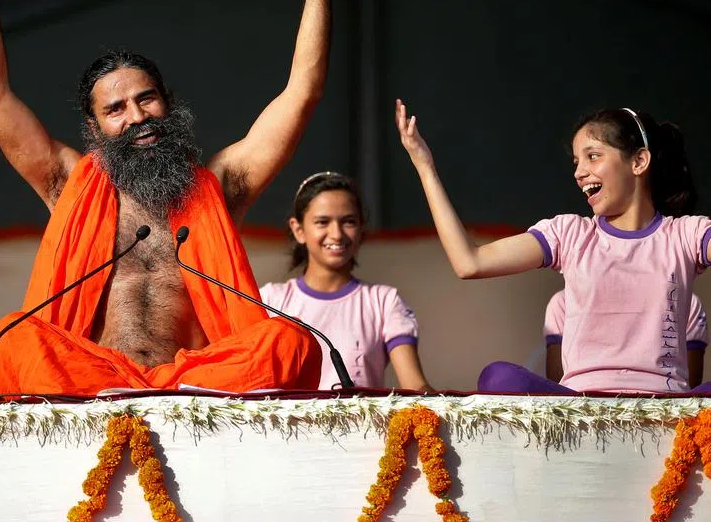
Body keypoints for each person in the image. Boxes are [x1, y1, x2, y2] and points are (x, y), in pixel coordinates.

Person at [0, 0, 337, 395]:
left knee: (288, 342)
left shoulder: (216, 186)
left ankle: (190, 393)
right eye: (116, 109)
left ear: (168, 104)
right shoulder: (67, 182)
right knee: (15, 339)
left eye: (146, 99)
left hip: (191, 383)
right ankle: (113, 392)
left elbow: (302, 94)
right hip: (95, 381)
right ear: (95, 127)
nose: (136, 116)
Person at [395, 100, 711, 394]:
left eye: (593, 156)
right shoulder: (569, 233)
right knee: (498, 377)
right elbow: (470, 262)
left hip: (663, 408)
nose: (579, 172)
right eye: (576, 161)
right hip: (583, 409)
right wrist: (425, 167)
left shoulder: (687, 234)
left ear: (639, 161)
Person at [260, 171, 431, 391]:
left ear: (361, 228)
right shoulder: (270, 300)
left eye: (348, 222)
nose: (337, 234)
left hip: (365, 427)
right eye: (322, 222)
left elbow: (415, 386)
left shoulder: (384, 301)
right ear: (298, 229)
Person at [545, 288, 707, 387]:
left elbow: (690, 383)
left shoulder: (688, 302)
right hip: (585, 417)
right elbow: (557, 384)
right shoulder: (562, 302)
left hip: (663, 416)